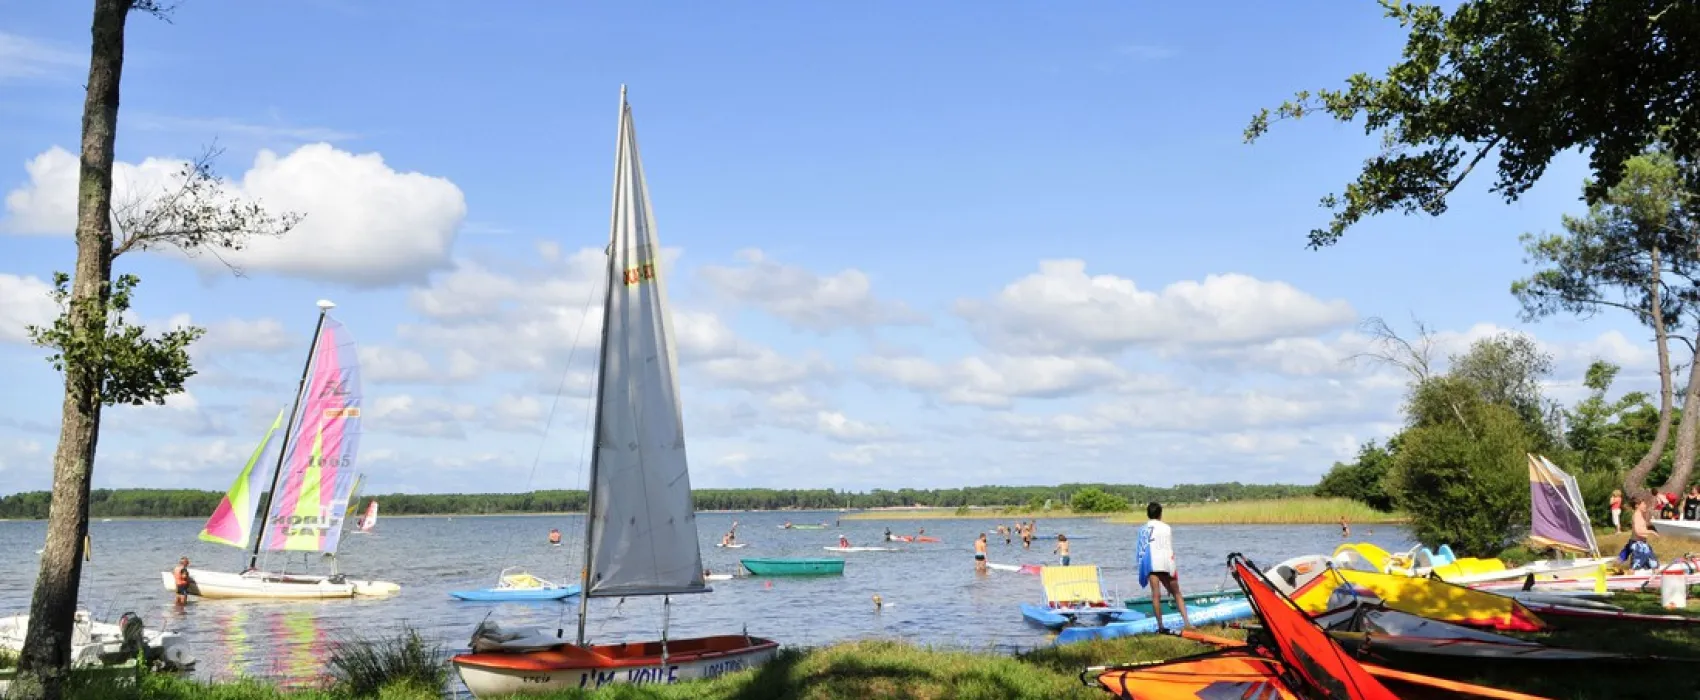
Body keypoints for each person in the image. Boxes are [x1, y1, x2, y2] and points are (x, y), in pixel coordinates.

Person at [1135, 502, 1190, 631]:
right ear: (1160, 514)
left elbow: (1141, 550)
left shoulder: (1143, 529)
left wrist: (1142, 568)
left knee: (1155, 595)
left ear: (1148, 514)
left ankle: (1160, 626)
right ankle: (1187, 623)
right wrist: (1173, 568)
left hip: (1150, 565)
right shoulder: (1166, 528)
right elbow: (1168, 547)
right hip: (1165, 562)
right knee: (1177, 593)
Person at [1624, 495, 1661, 570]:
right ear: (1637, 505)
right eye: (1643, 504)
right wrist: (1651, 532)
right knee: (1635, 566)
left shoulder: (1641, 515)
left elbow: (1642, 527)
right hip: (1638, 545)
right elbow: (1638, 531)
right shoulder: (1636, 516)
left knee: (1654, 564)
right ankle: (1629, 577)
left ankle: (1654, 577)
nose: (1645, 506)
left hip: (1643, 545)